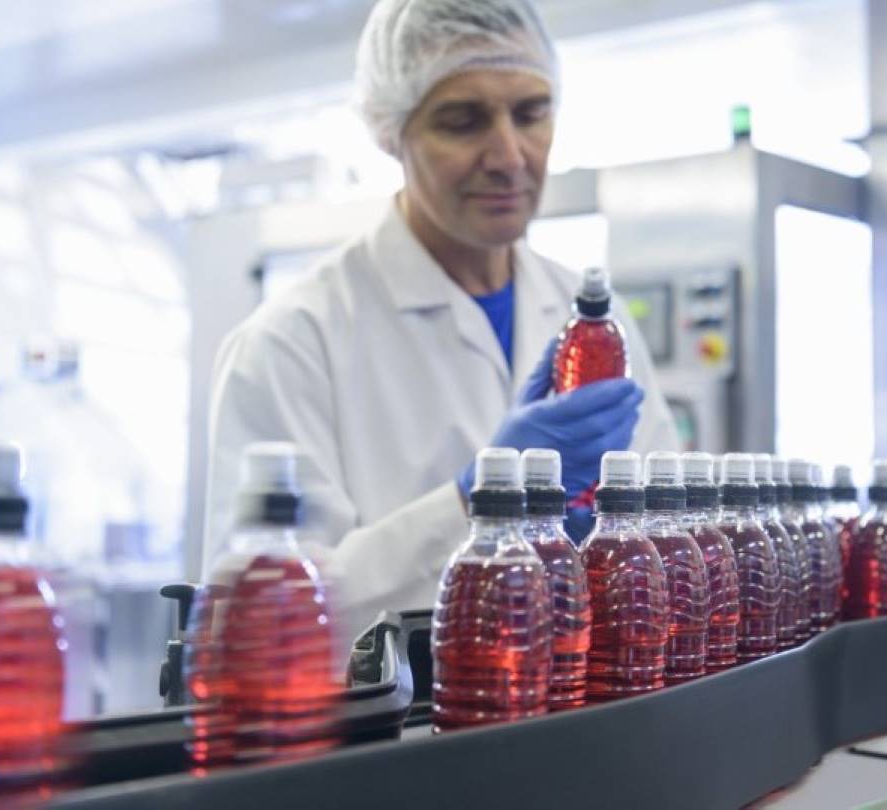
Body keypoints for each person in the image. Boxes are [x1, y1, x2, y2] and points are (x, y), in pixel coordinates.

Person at [202, 0, 679, 647]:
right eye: (463, 120)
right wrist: (472, 509)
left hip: (578, 711)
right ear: (393, 133)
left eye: (532, 113)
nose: (509, 155)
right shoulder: (291, 343)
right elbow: (256, 627)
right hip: (395, 740)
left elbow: (665, 540)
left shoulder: (597, 320)